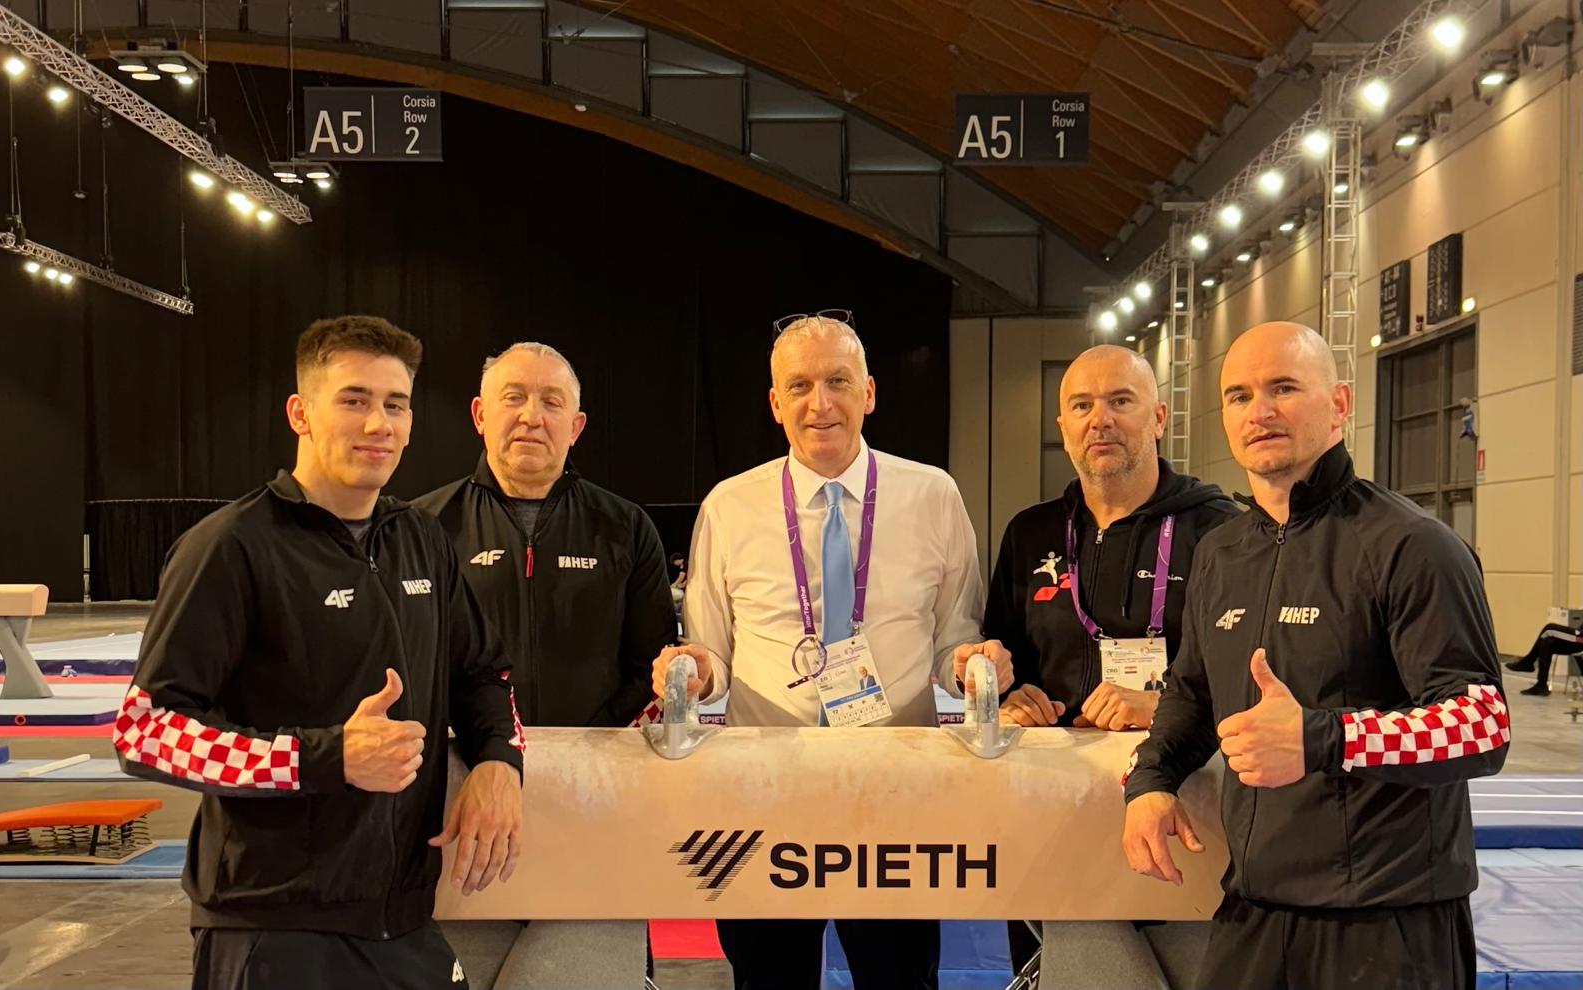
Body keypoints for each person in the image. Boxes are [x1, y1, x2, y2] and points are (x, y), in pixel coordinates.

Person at [114, 316, 527, 990]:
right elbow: (147, 732)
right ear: (300, 414)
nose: (379, 424)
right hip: (275, 925)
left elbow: (484, 672)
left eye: (396, 404)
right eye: (354, 400)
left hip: (402, 919)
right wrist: (327, 756)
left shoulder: (420, 539)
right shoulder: (232, 546)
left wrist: (499, 763)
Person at [1122, 322, 1510, 990]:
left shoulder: (1412, 544)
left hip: (1387, 920)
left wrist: (1322, 739)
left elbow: (1481, 726)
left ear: (1340, 404)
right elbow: (1192, 693)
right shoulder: (1220, 553)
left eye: (1283, 388)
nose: (1260, 411)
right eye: (1239, 395)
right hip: (1256, 909)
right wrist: (1151, 780)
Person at [656, 311, 1003, 990]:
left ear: (868, 392)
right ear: (774, 402)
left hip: (897, 793)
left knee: (899, 980)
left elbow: (953, 638)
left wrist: (968, 664)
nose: (820, 403)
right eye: (800, 385)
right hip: (764, 796)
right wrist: (692, 671)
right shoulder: (729, 505)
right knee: (769, 981)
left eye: (838, 381)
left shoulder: (933, 495)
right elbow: (710, 652)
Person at [975, 344, 1236, 976]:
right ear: (1062, 427)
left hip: (1181, 802)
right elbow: (1001, 650)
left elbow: (1253, 676)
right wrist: (1008, 694)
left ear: (1158, 417)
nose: (1101, 419)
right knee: (1061, 976)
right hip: (1052, 809)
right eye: (1082, 406)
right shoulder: (1031, 533)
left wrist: (1164, 705)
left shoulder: (1221, 532)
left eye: (1121, 401)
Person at [416, 342, 676, 727]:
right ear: (480, 415)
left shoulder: (626, 526)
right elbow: (408, 658)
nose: (531, 417)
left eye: (551, 402)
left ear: (575, 427)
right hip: (468, 755)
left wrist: (593, 739)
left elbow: (653, 664)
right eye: (513, 397)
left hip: (593, 756)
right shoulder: (424, 525)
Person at [1503, 619, 1583, 696]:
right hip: (1579, 636)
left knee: (1549, 628)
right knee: (1547, 642)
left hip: (1580, 639)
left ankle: (1528, 662)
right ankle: (1541, 686)